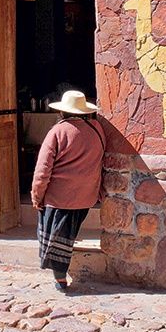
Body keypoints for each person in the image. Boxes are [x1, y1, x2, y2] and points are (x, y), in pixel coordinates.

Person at [31, 90, 105, 291]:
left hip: (59, 198)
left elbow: (43, 169)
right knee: (68, 234)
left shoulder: (57, 131)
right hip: (86, 196)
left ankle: (60, 278)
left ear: (62, 112)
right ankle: (61, 274)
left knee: (57, 239)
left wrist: (37, 195)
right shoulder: (97, 128)